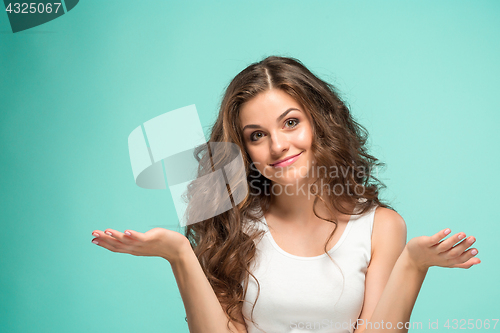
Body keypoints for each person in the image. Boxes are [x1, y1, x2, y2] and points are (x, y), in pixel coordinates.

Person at [91, 56, 481, 333]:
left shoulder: (380, 226)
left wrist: (413, 264)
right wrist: (179, 255)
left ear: (320, 123)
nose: (278, 145)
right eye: (257, 135)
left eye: (290, 122)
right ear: (243, 151)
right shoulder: (233, 223)